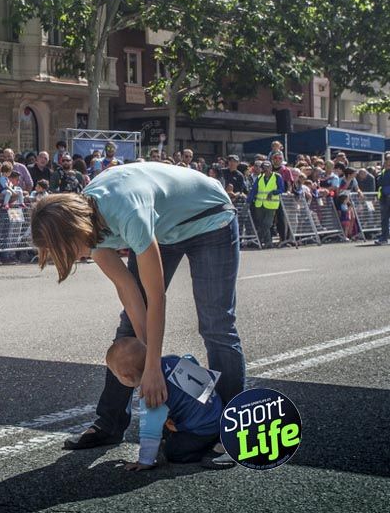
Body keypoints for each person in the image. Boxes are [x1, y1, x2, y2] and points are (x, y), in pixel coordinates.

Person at [31, 163, 244, 469]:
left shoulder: (127, 210)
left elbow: (156, 299)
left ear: (74, 230)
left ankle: (228, 430)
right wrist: (145, 361)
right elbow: (130, 293)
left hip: (210, 219)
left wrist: (154, 368)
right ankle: (109, 424)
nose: (73, 257)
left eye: (65, 249)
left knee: (217, 325)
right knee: (129, 328)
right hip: (166, 227)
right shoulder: (90, 229)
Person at [105, 338, 224, 470]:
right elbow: (190, 360)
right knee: (167, 421)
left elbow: (149, 433)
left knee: (173, 452)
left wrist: (145, 461)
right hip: (218, 410)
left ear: (126, 377)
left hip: (202, 429)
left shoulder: (151, 392)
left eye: (116, 375)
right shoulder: (170, 360)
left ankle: (210, 447)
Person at [249, 160, 284, 248]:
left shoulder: (277, 176)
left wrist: (273, 192)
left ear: (271, 168)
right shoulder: (260, 177)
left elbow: (281, 189)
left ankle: (260, 240)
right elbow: (254, 190)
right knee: (261, 224)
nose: (266, 169)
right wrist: (248, 202)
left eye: (268, 167)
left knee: (267, 224)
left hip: (271, 205)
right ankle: (268, 242)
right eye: (264, 167)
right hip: (259, 204)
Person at [376, 154, 390, 245]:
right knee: (384, 219)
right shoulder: (384, 171)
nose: (387, 161)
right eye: (387, 159)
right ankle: (384, 237)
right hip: (384, 198)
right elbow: (379, 182)